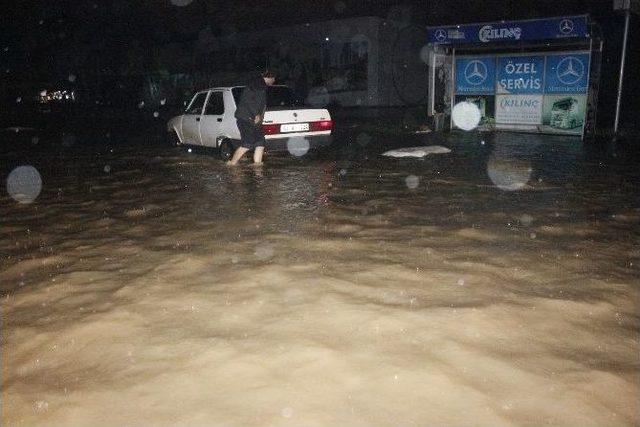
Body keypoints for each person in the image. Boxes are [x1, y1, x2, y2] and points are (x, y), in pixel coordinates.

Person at [227, 70, 276, 166]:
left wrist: (260, 117)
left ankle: (257, 166)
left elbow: (261, 105)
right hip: (246, 119)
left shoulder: (261, 87)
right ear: (270, 77)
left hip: (255, 121)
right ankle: (231, 164)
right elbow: (248, 101)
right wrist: (256, 114)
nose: (274, 81)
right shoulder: (255, 85)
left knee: (260, 142)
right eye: (274, 79)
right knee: (247, 144)